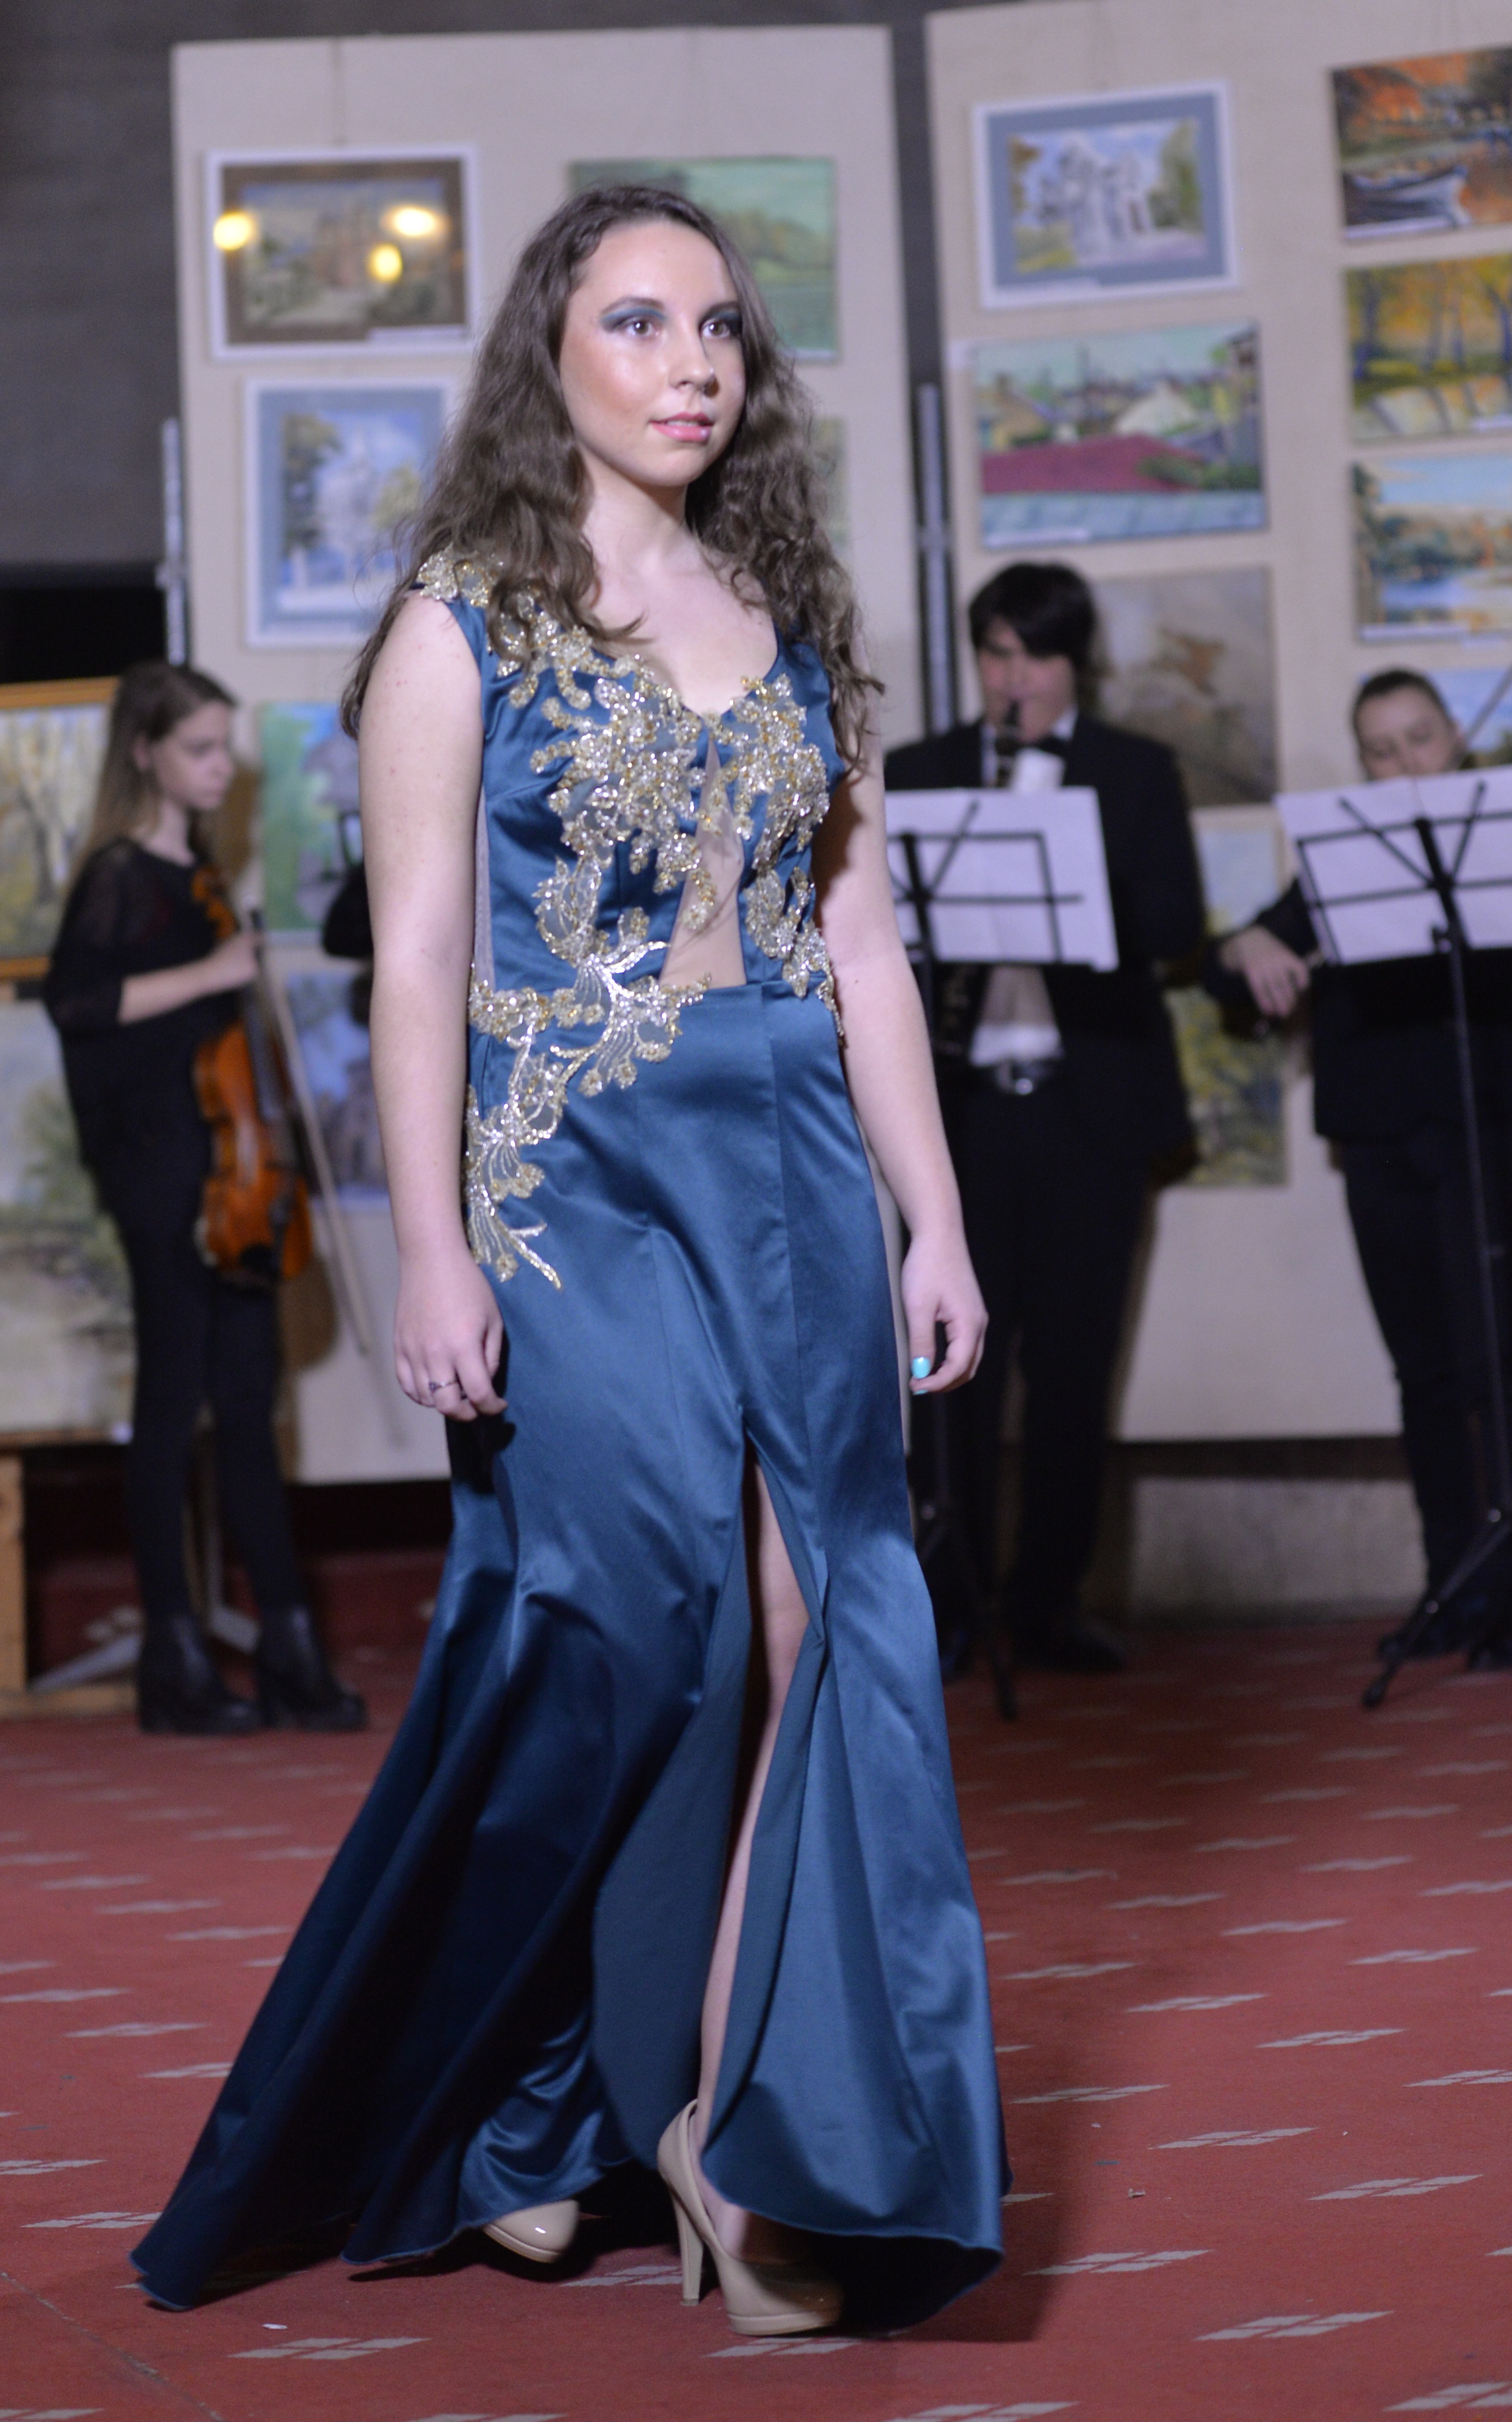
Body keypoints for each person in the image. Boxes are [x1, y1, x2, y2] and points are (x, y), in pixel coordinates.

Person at [133, 186, 1005, 2335]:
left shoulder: (789, 612)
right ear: (549, 350)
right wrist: (429, 1244)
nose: (690, 361)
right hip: (567, 1171)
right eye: (636, 320)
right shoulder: (461, 622)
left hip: (790, 1155)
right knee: (631, 1618)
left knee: (825, 1616)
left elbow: (862, 946)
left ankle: (741, 2130)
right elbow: (420, 954)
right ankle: (523, 2090)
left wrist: (935, 1212)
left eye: (717, 325)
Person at [885, 562, 1203, 1672]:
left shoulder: (1133, 769)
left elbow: (1176, 924)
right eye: (995, 654)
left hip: (1086, 1113)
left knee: (1073, 1369)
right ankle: (949, 1593)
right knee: (950, 1371)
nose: (1010, 678)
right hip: (960, 1116)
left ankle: (1048, 1601)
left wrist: (1060, 867)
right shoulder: (918, 771)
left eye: (1032, 657)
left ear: (1075, 664)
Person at [43, 663, 365, 1736]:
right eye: (201, 749)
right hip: (159, 1170)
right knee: (174, 1405)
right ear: (145, 753)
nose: (222, 768)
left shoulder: (204, 879)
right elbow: (77, 1001)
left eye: (226, 747)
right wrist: (215, 974)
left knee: (248, 1403)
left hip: (234, 1172)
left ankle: (288, 1645)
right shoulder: (119, 875)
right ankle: (174, 1656)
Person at [1209, 669, 1512, 1666]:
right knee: (1424, 1374)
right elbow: (1232, 965)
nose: (1404, 764)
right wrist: (1247, 945)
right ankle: (1451, 1581)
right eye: (1380, 749)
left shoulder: (1499, 841)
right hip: (1375, 1140)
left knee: (1494, 1365)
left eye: (1420, 739)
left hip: (1484, 1128)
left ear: (1455, 739)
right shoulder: (1341, 856)